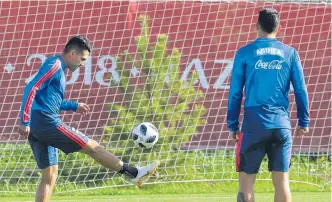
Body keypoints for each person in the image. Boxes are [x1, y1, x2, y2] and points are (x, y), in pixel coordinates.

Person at [18, 36, 159, 202]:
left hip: (38, 126)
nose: (83, 64)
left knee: (50, 176)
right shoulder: (55, 65)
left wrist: (73, 106)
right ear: (72, 53)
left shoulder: (58, 68)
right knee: (92, 147)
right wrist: (24, 120)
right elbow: (31, 87)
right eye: (82, 59)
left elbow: (49, 101)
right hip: (46, 122)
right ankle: (132, 173)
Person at [227, 8, 309, 202]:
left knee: (246, 183)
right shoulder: (290, 53)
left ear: (257, 26)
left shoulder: (245, 53)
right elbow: (300, 90)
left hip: (254, 126)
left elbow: (235, 92)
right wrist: (303, 121)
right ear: (278, 28)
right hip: (281, 125)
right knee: (282, 182)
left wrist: (232, 124)